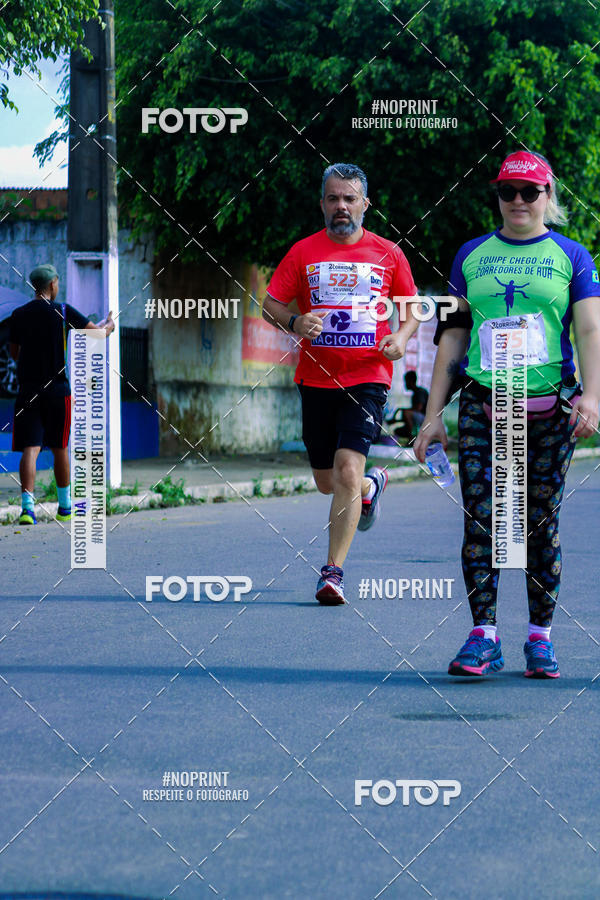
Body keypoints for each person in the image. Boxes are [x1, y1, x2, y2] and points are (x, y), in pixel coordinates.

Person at [415, 150, 600, 678]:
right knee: (484, 520)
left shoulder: (573, 255)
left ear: (548, 197)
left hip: (548, 409)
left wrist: (592, 398)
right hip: (482, 404)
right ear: (497, 196)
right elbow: (451, 336)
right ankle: (484, 636)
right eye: (507, 191)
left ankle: (539, 639)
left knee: (539, 524)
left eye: (530, 192)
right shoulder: (470, 254)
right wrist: (432, 416)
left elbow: (589, 330)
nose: (517, 201)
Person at [262, 162, 420, 604]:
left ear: (365, 204)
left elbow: (411, 308)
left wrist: (400, 338)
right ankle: (370, 489)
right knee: (327, 480)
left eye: (350, 198)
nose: (341, 206)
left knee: (348, 468)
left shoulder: (389, 253)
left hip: (368, 376)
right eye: (333, 198)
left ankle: (332, 571)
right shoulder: (303, 252)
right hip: (315, 379)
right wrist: (295, 320)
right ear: (322, 204)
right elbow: (270, 304)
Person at [9, 263, 115, 525]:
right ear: (53, 284)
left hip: (28, 391)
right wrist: (110, 325)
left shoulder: (18, 314)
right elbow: (98, 333)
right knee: (60, 448)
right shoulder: (63, 311)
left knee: (30, 449)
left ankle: (27, 509)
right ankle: (65, 507)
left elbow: (14, 351)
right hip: (58, 392)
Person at [398, 369, 429, 437]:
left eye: (406, 381)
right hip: (421, 419)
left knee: (406, 412)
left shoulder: (420, 391)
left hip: (427, 420)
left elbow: (418, 408)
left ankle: (412, 438)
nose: (405, 384)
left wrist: (402, 410)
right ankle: (412, 435)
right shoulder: (415, 393)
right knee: (398, 431)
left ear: (411, 381)